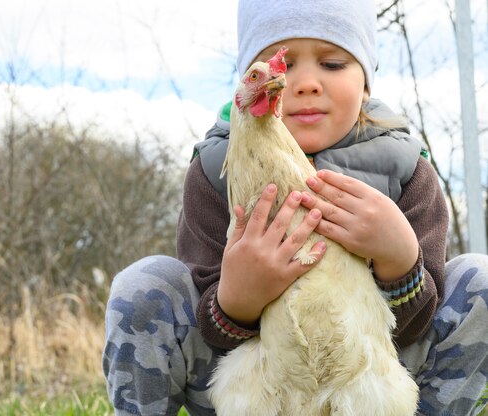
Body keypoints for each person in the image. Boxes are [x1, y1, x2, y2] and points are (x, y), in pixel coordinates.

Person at [102, 0, 488, 414]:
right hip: (251, 390)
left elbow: (417, 326)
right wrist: (237, 299)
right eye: (271, 67)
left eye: (333, 64)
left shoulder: (406, 169)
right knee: (143, 285)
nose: (302, 83)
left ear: (366, 83)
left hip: (374, 384)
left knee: (480, 280)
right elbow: (209, 330)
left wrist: (400, 258)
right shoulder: (215, 173)